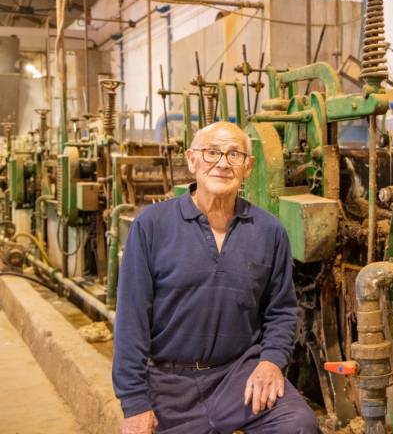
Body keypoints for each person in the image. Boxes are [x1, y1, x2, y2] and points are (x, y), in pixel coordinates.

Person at [112, 122, 319, 434]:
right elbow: (131, 320)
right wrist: (134, 402)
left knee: (299, 426)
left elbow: (281, 310)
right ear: (192, 159)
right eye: (212, 153)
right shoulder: (151, 226)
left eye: (234, 154)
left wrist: (271, 361)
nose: (222, 163)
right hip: (170, 383)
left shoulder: (269, 231)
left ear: (248, 167)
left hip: (238, 376)